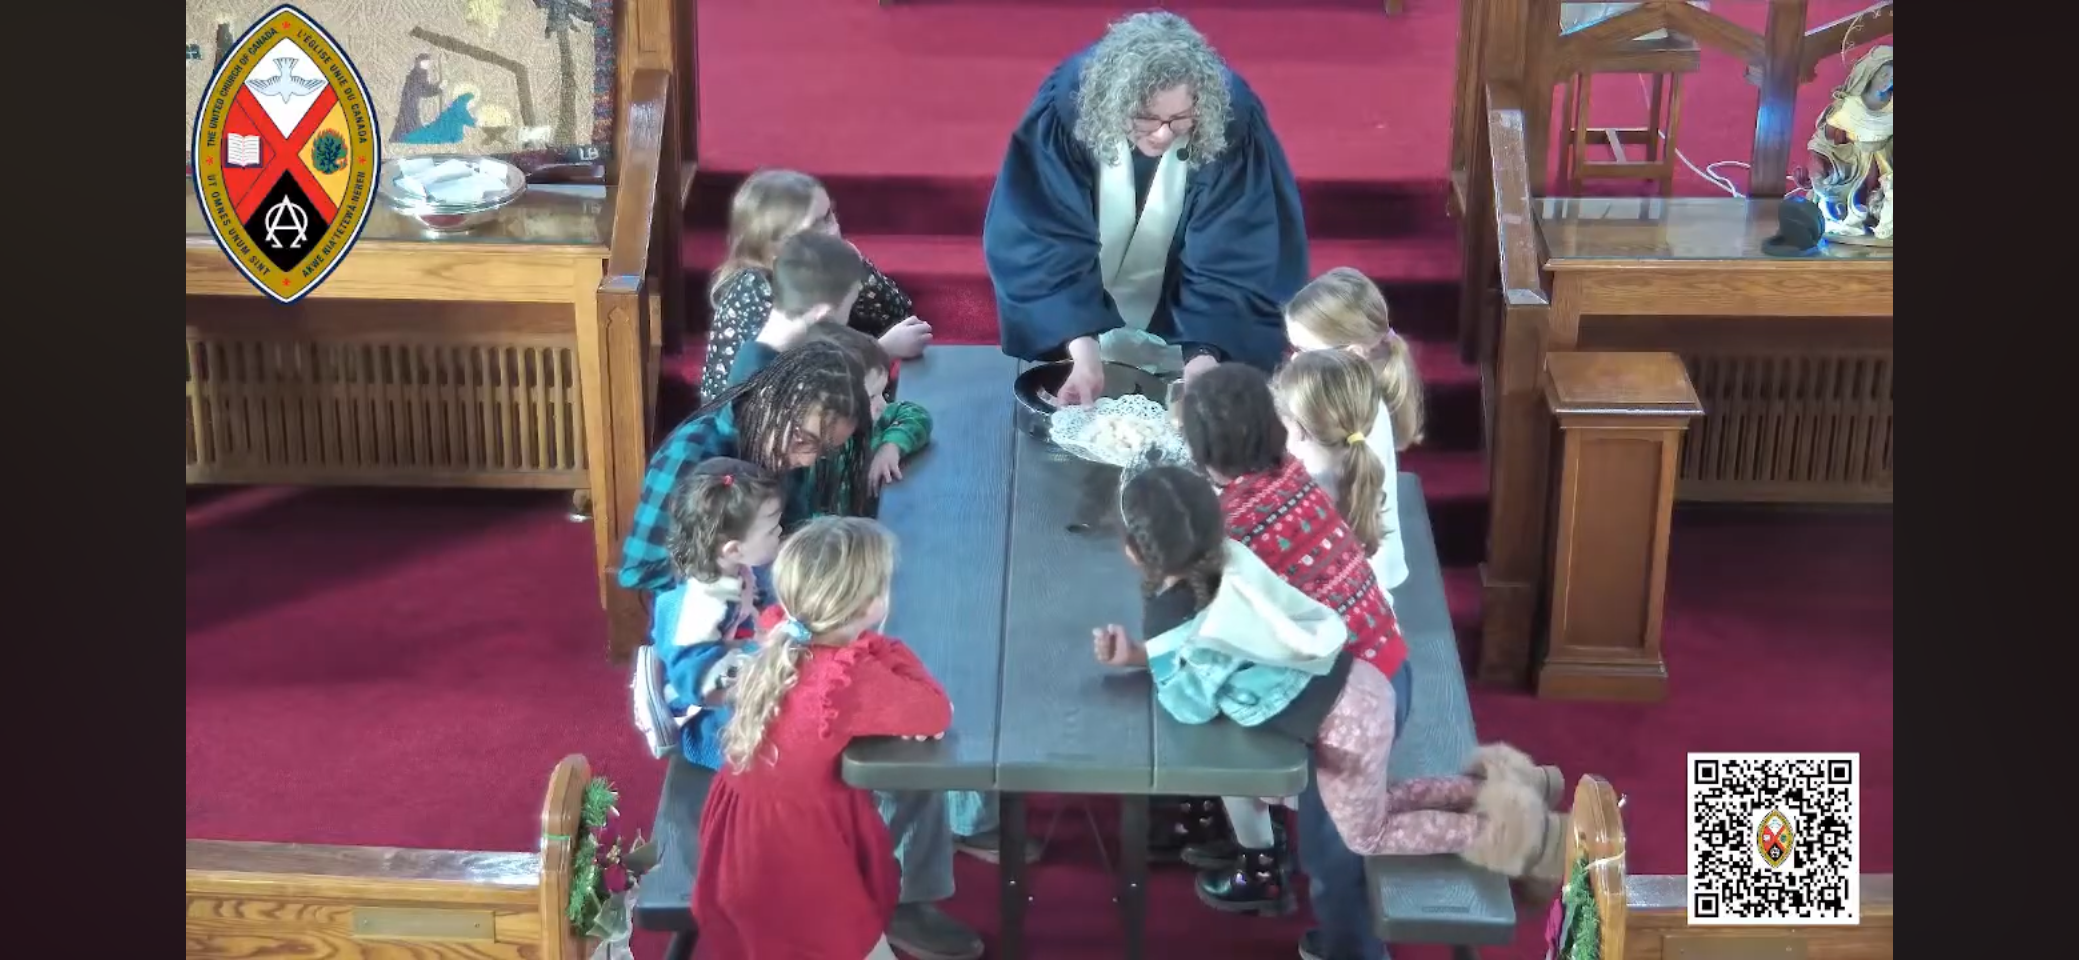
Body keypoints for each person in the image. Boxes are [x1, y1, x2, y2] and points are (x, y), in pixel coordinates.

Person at [1091, 468, 1571, 960]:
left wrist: (1151, 657)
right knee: (1376, 801)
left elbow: (1190, 703)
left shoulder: (1174, 613)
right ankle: (1478, 792)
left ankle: (1503, 834)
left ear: (1135, 553)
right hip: (1363, 685)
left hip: (1346, 728)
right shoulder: (1234, 560)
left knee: (1366, 833)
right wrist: (1141, 655)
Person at [982, 10, 1307, 405]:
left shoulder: (1228, 116)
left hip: (1180, 304)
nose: (1163, 134)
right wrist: (1083, 351)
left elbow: (1235, 247)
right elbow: (1041, 234)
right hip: (1087, 305)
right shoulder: (1071, 105)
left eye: (1180, 118)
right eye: (1147, 119)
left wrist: (1204, 355)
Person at [692, 517, 956, 960]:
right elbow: (935, 710)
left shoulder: (782, 636)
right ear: (872, 602)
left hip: (744, 841)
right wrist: (881, 647)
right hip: (798, 859)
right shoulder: (847, 678)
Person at [619, 341, 871, 594]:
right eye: (802, 439)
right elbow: (639, 572)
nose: (807, 460)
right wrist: (733, 568)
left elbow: (792, 527)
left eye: (824, 451)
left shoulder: (782, 449)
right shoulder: (691, 453)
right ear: (768, 399)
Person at [702, 169, 933, 402]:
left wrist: (857, 268)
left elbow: (900, 315)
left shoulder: (824, 266)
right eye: (816, 226)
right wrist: (882, 351)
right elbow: (793, 389)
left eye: (829, 215)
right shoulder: (753, 290)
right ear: (774, 247)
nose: (833, 231)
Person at [1283, 267, 1427, 596]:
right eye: (1293, 350)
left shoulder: (1355, 417)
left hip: (1356, 583)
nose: (1294, 363)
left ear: (1351, 354)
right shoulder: (1358, 395)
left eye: (1305, 353)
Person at [632, 458, 783, 769]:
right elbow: (697, 684)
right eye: (772, 529)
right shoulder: (704, 608)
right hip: (706, 722)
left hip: (730, 660)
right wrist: (761, 660)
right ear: (733, 549)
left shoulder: (729, 571)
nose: (780, 531)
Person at [1271, 349, 1400, 604]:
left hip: (1326, 627)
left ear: (1295, 427)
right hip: (1372, 607)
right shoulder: (1362, 463)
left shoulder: (1294, 495)